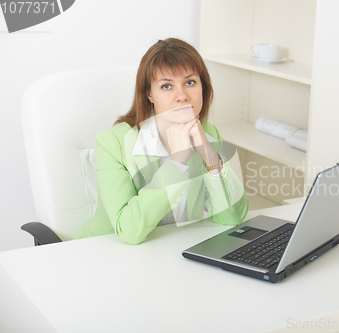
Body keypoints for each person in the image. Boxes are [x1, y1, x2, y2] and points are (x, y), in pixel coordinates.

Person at [74, 38, 249, 244]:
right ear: (149, 94)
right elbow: (129, 231)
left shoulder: (208, 133)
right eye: (166, 86)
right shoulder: (112, 142)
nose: (182, 96)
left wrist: (210, 156)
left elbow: (232, 217)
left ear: (203, 87)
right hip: (103, 253)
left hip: (169, 252)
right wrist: (176, 163)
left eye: (190, 82)